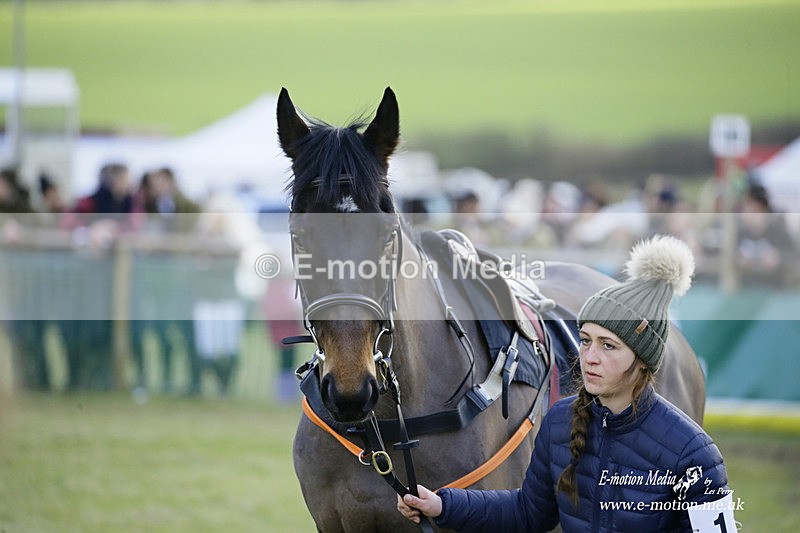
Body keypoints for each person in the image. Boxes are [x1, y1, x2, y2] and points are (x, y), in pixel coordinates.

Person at [398, 235, 730, 532]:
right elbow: (527, 512)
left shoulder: (695, 455)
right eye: (586, 340)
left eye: (608, 345)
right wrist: (444, 506)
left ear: (642, 359)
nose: (590, 356)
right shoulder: (559, 421)